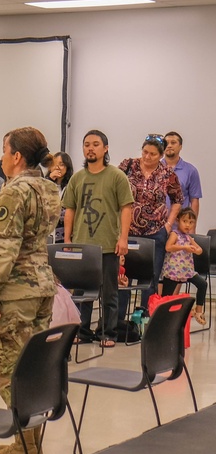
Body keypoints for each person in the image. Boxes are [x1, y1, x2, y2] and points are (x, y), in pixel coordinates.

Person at [0, 127, 60, 454]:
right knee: (31, 366)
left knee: (5, 368)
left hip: (15, 289)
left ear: (16, 156)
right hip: (43, 284)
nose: (2, 157)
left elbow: (4, 248)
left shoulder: (15, 192)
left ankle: (26, 442)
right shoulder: (49, 188)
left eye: (4, 150)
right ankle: (29, 441)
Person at [62, 129, 133, 348]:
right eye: (86, 144)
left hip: (108, 245)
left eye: (95, 144)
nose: (90, 148)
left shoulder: (116, 176)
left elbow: (126, 208)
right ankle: (82, 331)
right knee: (83, 293)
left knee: (109, 293)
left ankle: (108, 333)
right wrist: (67, 240)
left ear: (105, 148)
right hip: (82, 246)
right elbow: (70, 210)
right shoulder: (77, 178)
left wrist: (123, 238)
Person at [117, 135, 183, 312]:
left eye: (153, 154)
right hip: (127, 231)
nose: (147, 157)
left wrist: (168, 224)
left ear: (161, 155)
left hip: (155, 232)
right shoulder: (128, 166)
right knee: (123, 275)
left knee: (151, 277)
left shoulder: (167, 174)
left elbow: (178, 200)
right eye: (145, 152)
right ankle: (120, 320)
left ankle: (144, 318)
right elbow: (112, 188)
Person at [160, 208, 207, 325]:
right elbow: (168, 247)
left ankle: (198, 311)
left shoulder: (188, 237)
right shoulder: (174, 234)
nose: (188, 225)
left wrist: (196, 250)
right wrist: (183, 247)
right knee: (166, 298)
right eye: (185, 221)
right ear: (178, 220)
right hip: (173, 272)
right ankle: (162, 321)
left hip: (186, 271)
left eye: (191, 222)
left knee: (202, 284)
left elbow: (200, 250)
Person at [163, 131, 201, 223]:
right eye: (166, 143)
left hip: (180, 226)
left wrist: (192, 227)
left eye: (173, 142)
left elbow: (194, 200)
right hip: (157, 226)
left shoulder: (190, 170)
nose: (169, 146)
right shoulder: (155, 168)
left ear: (180, 146)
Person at [48, 151, 74, 242]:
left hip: (65, 234)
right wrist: (50, 179)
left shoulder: (71, 186)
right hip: (47, 233)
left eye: (61, 164)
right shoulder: (45, 183)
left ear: (67, 167)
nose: (57, 167)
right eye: (54, 164)